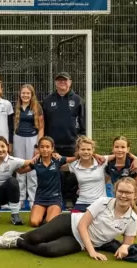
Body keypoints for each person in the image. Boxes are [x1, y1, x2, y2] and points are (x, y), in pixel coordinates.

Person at [0, 177, 137, 261]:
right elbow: (82, 225)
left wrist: (124, 247)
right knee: (36, 237)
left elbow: (127, 243)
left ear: (135, 194)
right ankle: (23, 235)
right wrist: (92, 251)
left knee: (50, 251)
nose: (123, 195)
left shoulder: (132, 219)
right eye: (121, 191)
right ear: (115, 191)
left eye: (128, 192)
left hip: (79, 242)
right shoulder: (103, 202)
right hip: (70, 223)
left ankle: (18, 241)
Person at [42, 72, 85, 206]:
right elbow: (44, 123)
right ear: (55, 83)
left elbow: (83, 122)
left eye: (65, 81)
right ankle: (57, 199)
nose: (62, 83)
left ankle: (72, 198)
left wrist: (82, 141)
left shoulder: (77, 100)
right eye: (59, 81)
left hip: (72, 144)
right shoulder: (48, 100)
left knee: (74, 173)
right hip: (53, 145)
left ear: (70, 83)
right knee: (55, 173)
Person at [0, 136, 36, 225]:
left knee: (12, 181)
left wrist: (41, 155)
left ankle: (15, 214)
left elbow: (31, 162)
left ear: (7, 147)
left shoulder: (13, 160)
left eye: (3, 146)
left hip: (4, 193)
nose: (0, 150)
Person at [17, 137, 67, 227]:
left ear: (52, 148)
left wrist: (95, 155)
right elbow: (20, 171)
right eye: (42, 147)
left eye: (47, 147)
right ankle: (44, 213)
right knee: (34, 223)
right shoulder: (36, 162)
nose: (45, 149)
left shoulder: (58, 160)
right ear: (38, 149)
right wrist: (30, 161)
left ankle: (53, 212)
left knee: (50, 223)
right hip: (40, 198)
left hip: (55, 198)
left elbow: (77, 158)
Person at [105, 136, 137, 228]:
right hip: (119, 194)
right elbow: (106, 177)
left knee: (136, 227)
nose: (119, 150)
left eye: (123, 147)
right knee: (115, 223)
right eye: (116, 147)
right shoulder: (109, 163)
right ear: (113, 148)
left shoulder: (133, 163)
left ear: (128, 149)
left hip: (132, 196)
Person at [13, 84, 44, 208]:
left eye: (28, 93)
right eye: (23, 93)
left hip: (32, 138)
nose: (25, 95)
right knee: (20, 167)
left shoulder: (37, 107)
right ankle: (20, 199)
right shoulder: (16, 107)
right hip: (18, 138)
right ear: (20, 94)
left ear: (32, 95)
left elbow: (41, 127)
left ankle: (32, 200)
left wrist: (38, 145)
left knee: (32, 169)